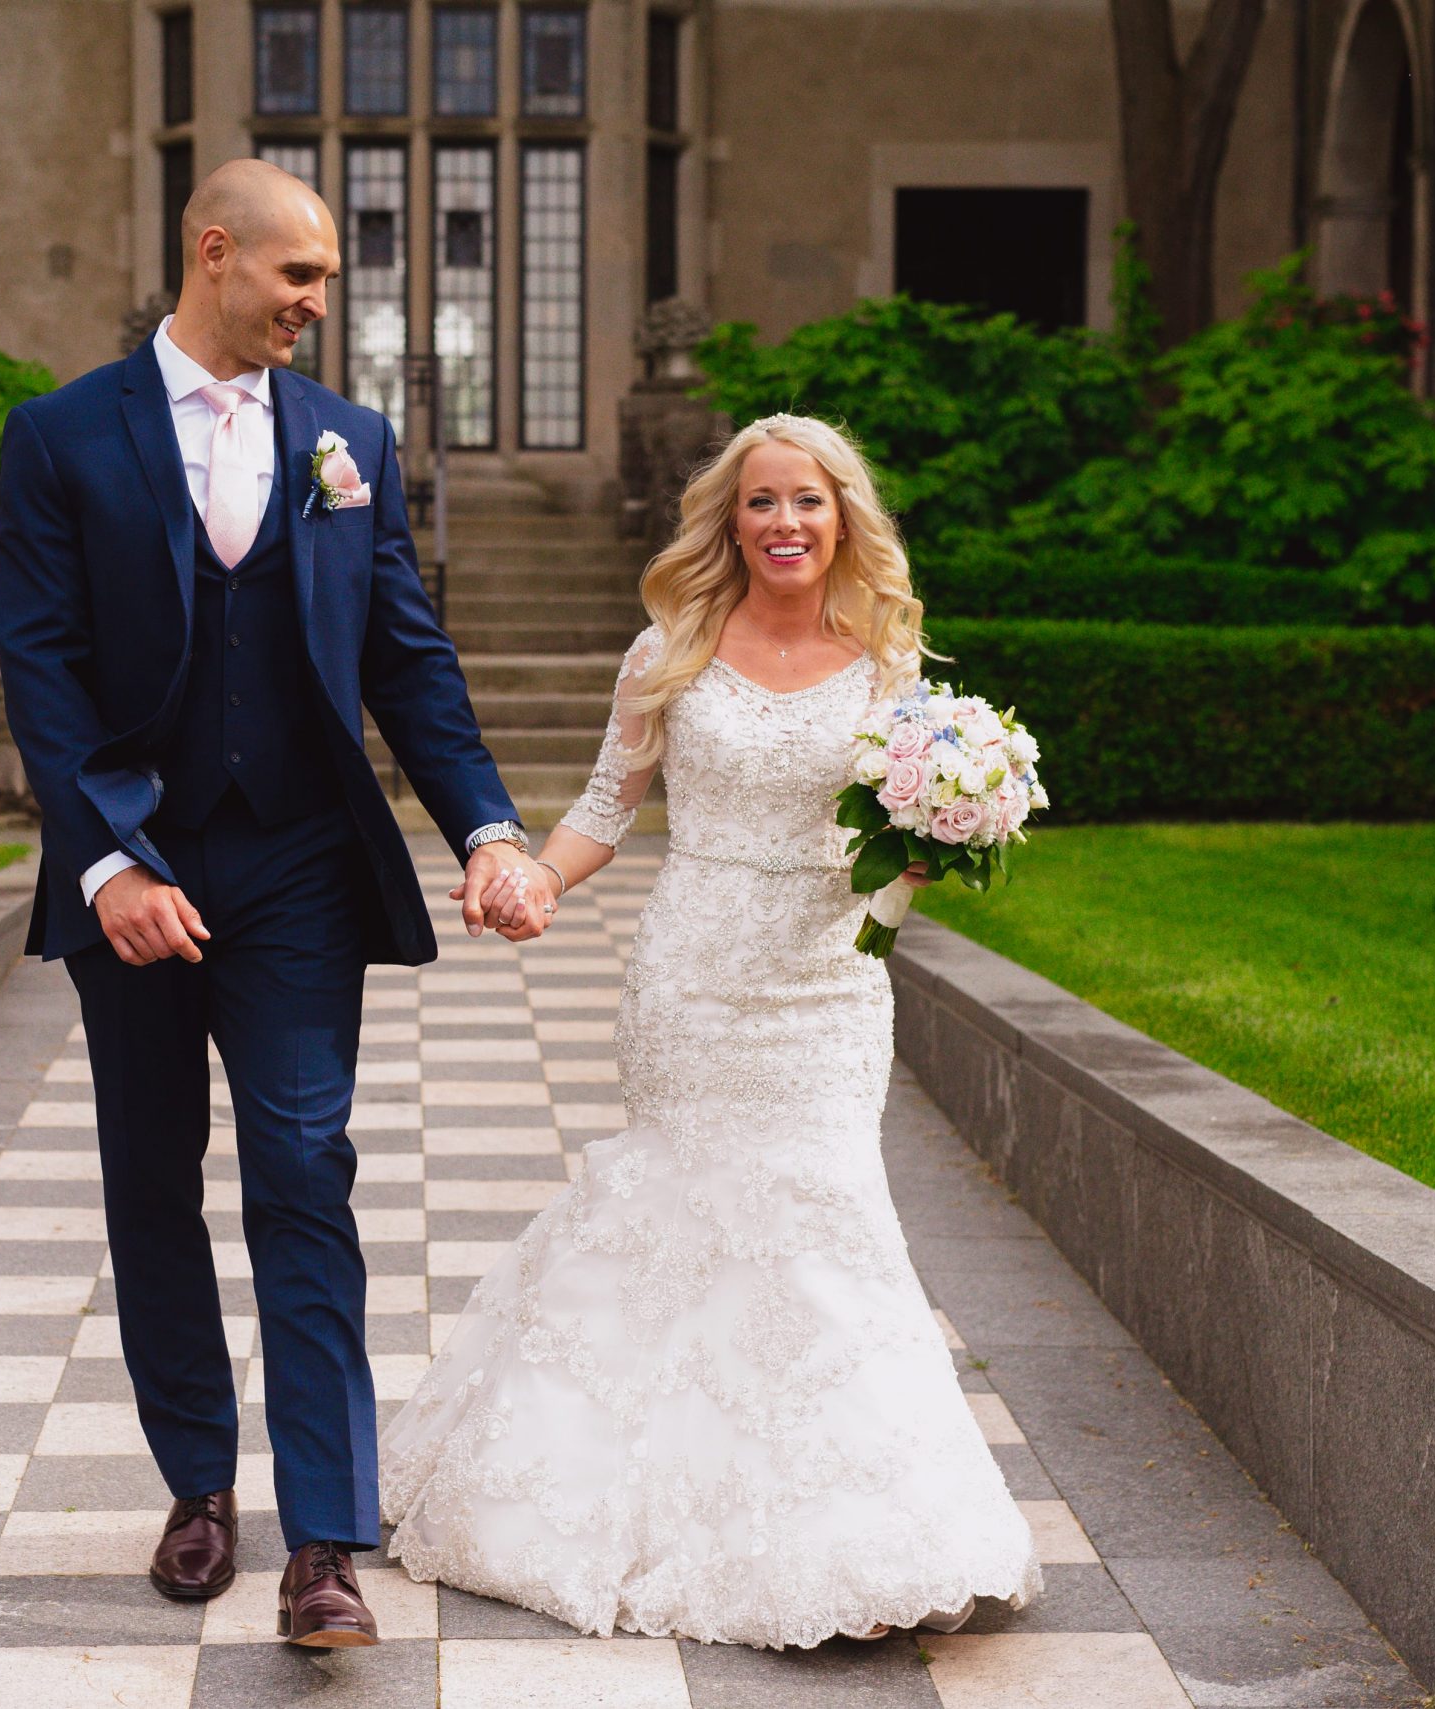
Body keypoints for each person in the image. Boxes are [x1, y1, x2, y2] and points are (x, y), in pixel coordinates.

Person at [0, 158, 556, 1648]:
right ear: (214, 251)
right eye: (300, 275)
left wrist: (490, 826)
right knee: (151, 1172)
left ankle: (325, 1539)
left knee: (303, 1165)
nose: (321, 302)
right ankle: (196, 1485)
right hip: (139, 863)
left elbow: (408, 661)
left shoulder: (347, 441)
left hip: (299, 857)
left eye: (323, 281)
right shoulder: (60, 439)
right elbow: (39, 664)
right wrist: (105, 863)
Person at [379, 414, 1044, 1648]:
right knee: (687, 1212)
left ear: (844, 516)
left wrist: (949, 837)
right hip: (691, 977)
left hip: (829, 988)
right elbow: (603, 806)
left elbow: (904, 850)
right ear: (727, 522)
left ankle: (864, 1527)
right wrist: (532, 879)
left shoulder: (891, 662)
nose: (784, 522)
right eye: (759, 503)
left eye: (807, 501)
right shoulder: (668, 651)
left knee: (827, 1220)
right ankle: (633, 1501)